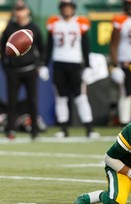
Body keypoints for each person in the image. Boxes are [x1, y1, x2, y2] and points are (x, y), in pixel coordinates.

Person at [45, 0, 97, 138]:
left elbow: (86, 46)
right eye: (64, 7)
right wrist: (44, 65)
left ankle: (89, 128)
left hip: (75, 63)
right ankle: (63, 129)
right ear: (61, 8)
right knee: (61, 97)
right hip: (59, 63)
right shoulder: (54, 22)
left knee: (80, 96)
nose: (67, 10)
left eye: (69, 7)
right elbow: (49, 46)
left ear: (73, 8)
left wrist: (87, 66)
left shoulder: (80, 22)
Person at [0, 0, 47, 140]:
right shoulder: (10, 28)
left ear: (27, 11)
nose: (20, 12)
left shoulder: (34, 28)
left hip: (30, 68)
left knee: (33, 99)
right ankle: (11, 129)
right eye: (17, 9)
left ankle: (34, 130)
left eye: (22, 9)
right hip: (13, 70)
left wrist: (41, 64)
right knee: (11, 101)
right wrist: (6, 66)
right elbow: (3, 49)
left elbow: (42, 48)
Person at [110, 0, 131, 126]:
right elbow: (113, 44)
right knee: (126, 93)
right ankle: (124, 123)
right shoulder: (120, 20)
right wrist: (115, 65)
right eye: (128, 5)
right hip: (125, 61)